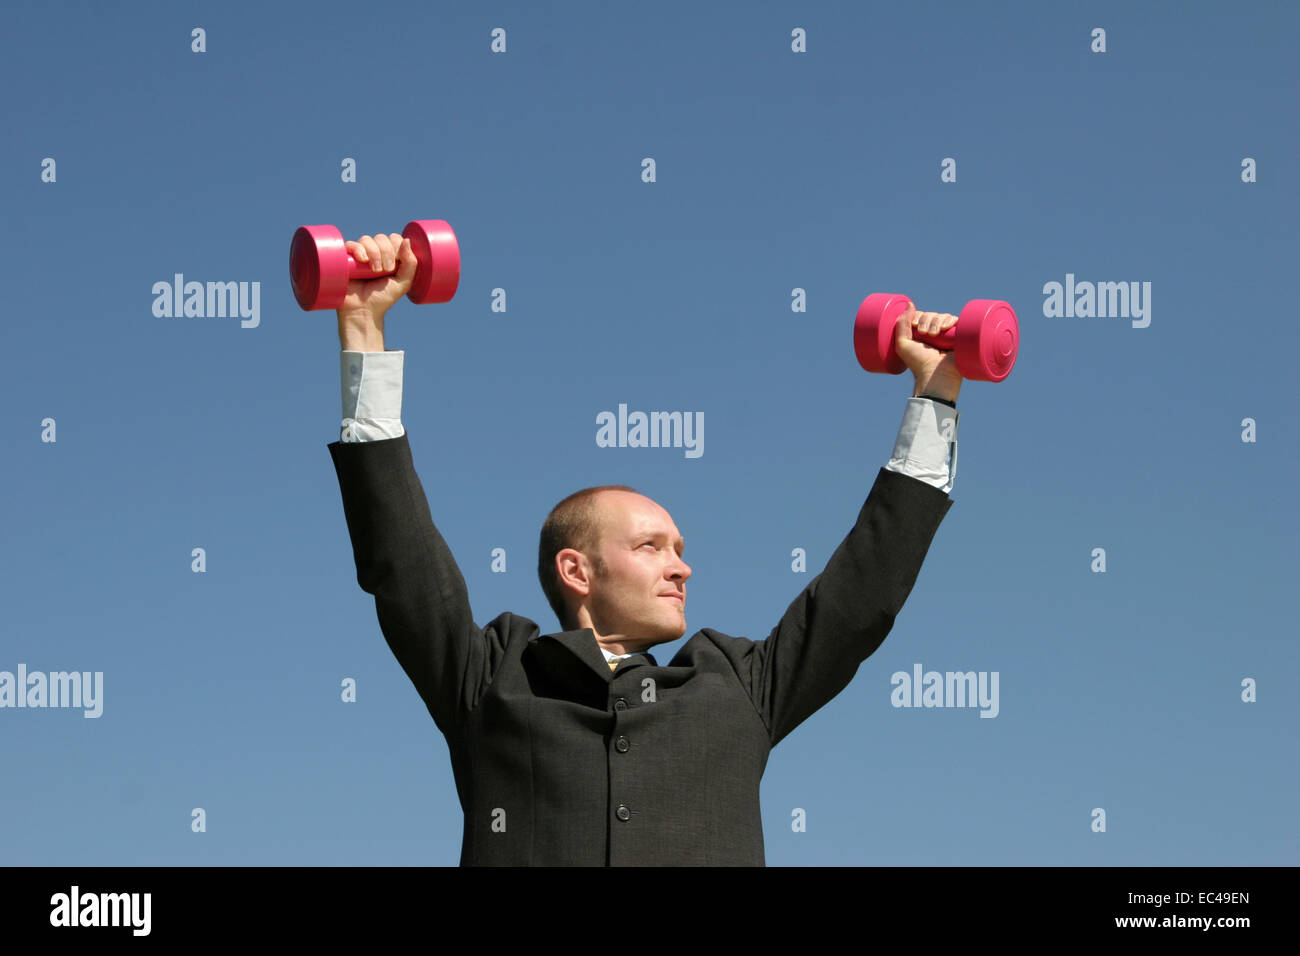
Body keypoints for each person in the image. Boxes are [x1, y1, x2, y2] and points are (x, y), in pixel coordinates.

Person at [328, 230, 962, 865]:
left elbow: (863, 593)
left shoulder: (739, 687)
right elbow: (402, 562)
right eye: (651, 547)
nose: (681, 566)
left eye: (679, 548)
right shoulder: (491, 677)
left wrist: (935, 391)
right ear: (577, 570)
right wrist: (362, 326)